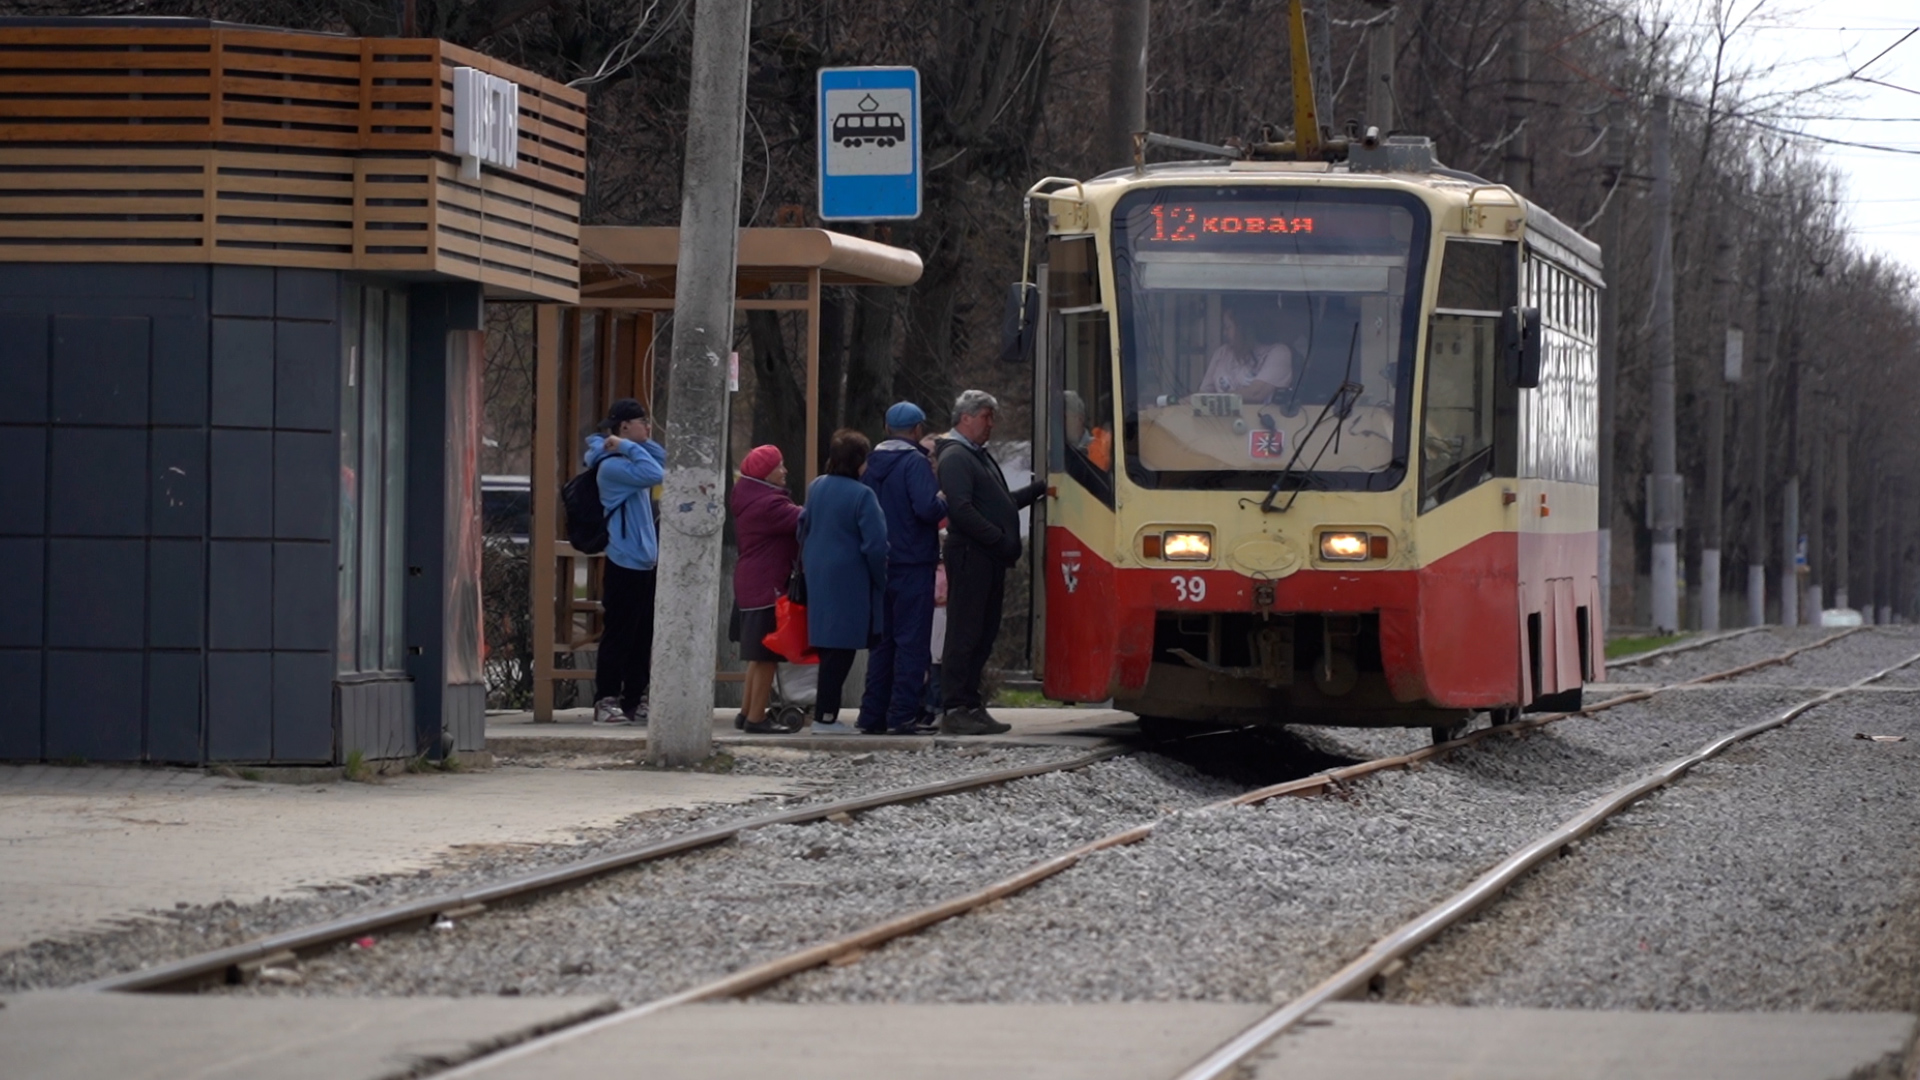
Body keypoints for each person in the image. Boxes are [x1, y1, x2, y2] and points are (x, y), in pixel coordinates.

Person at [934, 390, 1045, 735]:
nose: (991, 425)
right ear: (965, 417)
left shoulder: (978, 456)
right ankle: (955, 705)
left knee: (983, 632)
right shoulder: (955, 457)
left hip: (989, 558)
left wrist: (1038, 490)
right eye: (986, 417)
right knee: (965, 631)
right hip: (972, 555)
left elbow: (1000, 502)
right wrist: (997, 538)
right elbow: (962, 509)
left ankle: (971, 701)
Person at [855, 402, 948, 735]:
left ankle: (871, 715)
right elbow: (926, 508)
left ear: (886, 427)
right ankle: (902, 715)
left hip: (879, 565)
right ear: (918, 430)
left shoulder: (870, 465)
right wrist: (944, 500)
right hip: (913, 563)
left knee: (883, 643)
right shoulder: (915, 463)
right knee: (912, 642)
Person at [798, 429, 889, 735]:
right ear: (859, 462)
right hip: (850, 581)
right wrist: (881, 577)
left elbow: (803, 526)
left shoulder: (817, 487)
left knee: (828, 648)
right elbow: (876, 545)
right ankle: (825, 717)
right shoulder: (863, 495)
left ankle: (825, 714)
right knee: (842, 650)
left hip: (819, 576)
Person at [583, 398, 666, 726]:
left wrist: (634, 444)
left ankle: (635, 698)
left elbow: (663, 458)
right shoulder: (613, 467)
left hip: (645, 561)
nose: (648, 427)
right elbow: (655, 471)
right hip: (624, 560)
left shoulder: (630, 455)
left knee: (642, 634)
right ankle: (606, 698)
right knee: (619, 633)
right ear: (623, 428)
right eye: (641, 422)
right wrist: (625, 447)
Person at [729, 444, 803, 734]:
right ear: (764, 472)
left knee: (757, 655)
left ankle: (747, 711)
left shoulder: (750, 498)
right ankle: (757, 719)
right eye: (779, 466)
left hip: (752, 582)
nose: (784, 471)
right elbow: (805, 519)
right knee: (767, 655)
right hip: (767, 586)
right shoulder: (770, 505)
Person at [1197, 295, 1294, 404]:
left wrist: (1214, 400)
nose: (1224, 333)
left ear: (1243, 328)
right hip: (1216, 421)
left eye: (1228, 327)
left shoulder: (1278, 353)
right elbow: (1203, 395)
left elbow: (1256, 393)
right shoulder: (1222, 353)